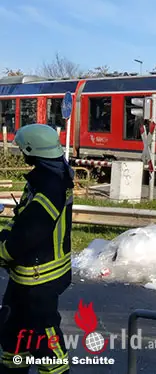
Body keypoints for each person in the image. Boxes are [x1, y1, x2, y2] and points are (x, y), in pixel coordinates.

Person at [0, 124, 73, 373]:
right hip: (27, 275)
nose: (22, 153)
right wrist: (4, 237)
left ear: (32, 150)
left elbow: (31, 232)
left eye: (23, 149)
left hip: (40, 277)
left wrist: (4, 251)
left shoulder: (50, 186)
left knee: (43, 339)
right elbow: (22, 218)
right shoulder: (45, 178)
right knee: (13, 331)